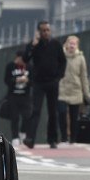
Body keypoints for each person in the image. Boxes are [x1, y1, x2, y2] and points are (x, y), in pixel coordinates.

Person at [24, 21, 66, 149]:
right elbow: (26, 59)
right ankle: (30, 138)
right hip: (38, 83)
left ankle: (52, 139)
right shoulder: (34, 45)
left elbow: (62, 62)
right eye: (43, 30)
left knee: (53, 111)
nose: (46, 32)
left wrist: (58, 77)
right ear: (39, 32)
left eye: (48, 30)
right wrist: (32, 45)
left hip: (52, 82)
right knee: (35, 110)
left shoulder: (56, 44)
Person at [57, 35, 90, 144]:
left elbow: (83, 76)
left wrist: (87, 93)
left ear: (77, 45)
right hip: (61, 88)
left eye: (74, 43)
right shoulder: (60, 55)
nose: (72, 45)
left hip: (76, 89)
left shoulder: (80, 58)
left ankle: (73, 138)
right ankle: (63, 137)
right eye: (70, 43)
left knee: (74, 115)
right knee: (62, 113)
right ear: (66, 44)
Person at [4, 49, 32, 148]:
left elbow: (33, 81)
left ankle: (23, 132)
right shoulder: (10, 66)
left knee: (27, 116)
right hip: (13, 96)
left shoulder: (29, 66)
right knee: (14, 117)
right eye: (21, 59)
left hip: (25, 96)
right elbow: (6, 80)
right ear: (17, 58)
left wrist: (27, 80)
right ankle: (15, 137)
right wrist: (16, 80)